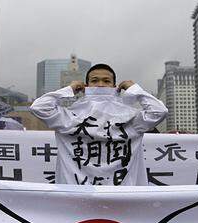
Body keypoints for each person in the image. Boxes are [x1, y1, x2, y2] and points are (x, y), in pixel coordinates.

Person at [30, 64, 168, 186]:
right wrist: (70, 89)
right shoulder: (69, 117)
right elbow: (38, 107)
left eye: (106, 81)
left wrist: (134, 89)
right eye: (94, 81)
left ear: (115, 88)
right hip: (77, 195)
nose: (100, 85)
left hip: (121, 196)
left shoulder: (131, 119)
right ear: (86, 86)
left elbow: (159, 111)